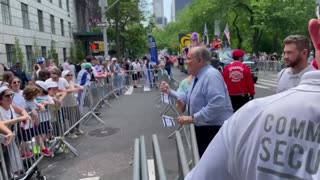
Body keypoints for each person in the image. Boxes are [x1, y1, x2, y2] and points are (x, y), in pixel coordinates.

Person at [185, 70, 320, 180]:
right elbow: (249, 81)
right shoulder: (245, 73)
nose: (285, 55)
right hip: (243, 98)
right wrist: (251, 93)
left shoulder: (251, 113)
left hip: (232, 107)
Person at [160, 46, 233, 157]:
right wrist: (170, 92)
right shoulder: (198, 76)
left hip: (213, 130)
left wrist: (193, 118)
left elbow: (217, 105)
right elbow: (189, 96)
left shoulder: (211, 75)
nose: (186, 61)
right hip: (206, 129)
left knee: (211, 167)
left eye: (189, 58)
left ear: (200, 60)